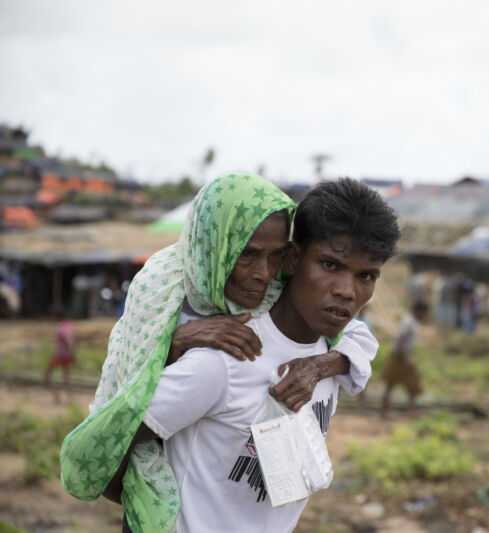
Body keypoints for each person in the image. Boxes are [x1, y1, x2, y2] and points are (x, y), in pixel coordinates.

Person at [60, 174, 384, 533]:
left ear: (284, 257)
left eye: (366, 276)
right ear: (295, 260)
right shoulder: (220, 354)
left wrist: (324, 364)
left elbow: (361, 340)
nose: (346, 291)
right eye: (331, 265)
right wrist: (146, 507)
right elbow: (106, 447)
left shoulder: (330, 346)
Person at [381, 301, 428, 414]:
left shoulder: (413, 322)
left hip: (403, 355)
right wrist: (406, 356)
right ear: (419, 311)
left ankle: (410, 409)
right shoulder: (408, 321)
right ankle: (385, 408)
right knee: (392, 383)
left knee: (411, 384)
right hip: (400, 356)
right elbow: (400, 338)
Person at [43, 309, 76, 402]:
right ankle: (70, 399)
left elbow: (65, 339)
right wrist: (72, 353)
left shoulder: (60, 327)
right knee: (66, 378)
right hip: (67, 355)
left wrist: (68, 349)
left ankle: (56, 397)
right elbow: (73, 340)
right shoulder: (70, 325)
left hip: (59, 355)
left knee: (47, 375)